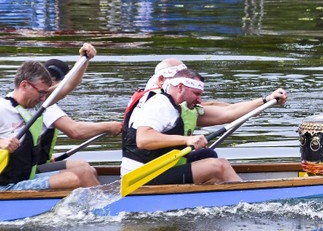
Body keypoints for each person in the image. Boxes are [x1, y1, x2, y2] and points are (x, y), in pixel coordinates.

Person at [121, 69, 287, 185]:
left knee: (208, 156)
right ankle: (250, 201)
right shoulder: (160, 103)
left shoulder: (182, 108)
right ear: (180, 87)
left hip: (160, 168)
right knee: (219, 166)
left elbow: (229, 112)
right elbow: (143, 139)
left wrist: (266, 100)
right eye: (196, 94)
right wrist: (187, 140)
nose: (200, 100)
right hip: (141, 177)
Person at [0, 44, 101, 191]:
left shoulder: (34, 106)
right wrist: (1, 142)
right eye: (41, 93)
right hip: (6, 186)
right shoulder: (2, 108)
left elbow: (68, 85)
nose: (43, 98)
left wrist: (84, 59)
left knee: (83, 171)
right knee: (71, 179)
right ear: (24, 85)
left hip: (27, 177)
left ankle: (104, 202)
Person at [35, 58, 123, 174]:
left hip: (36, 164)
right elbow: (75, 131)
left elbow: (71, 83)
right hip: (31, 170)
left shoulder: (34, 100)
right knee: (83, 168)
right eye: (49, 78)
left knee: (86, 169)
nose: (52, 83)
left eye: (55, 78)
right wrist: (109, 126)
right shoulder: (44, 105)